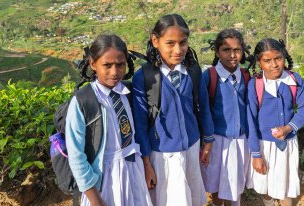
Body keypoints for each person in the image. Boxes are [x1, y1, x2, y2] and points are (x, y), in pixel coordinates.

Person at [132, 14, 214, 206]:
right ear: (155, 41)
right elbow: (141, 126)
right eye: (170, 43)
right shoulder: (144, 78)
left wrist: (207, 140)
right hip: (163, 155)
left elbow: (203, 108)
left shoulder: (193, 71)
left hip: (192, 147)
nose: (178, 50)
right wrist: (146, 164)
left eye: (183, 43)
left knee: (192, 197)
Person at [65, 34, 152, 206]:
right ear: (92, 64)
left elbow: (138, 134)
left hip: (133, 171)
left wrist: (146, 167)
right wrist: (95, 199)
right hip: (103, 180)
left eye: (120, 65)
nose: (115, 72)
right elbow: (76, 156)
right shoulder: (83, 101)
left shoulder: (129, 92)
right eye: (107, 65)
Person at [246, 38, 304, 206]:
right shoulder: (255, 85)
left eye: (278, 58)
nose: (274, 64)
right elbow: (251, 120)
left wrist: (289, 127)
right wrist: (255, 154)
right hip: (264, 145)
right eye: (267, 60)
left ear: (284, 56)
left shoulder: (294, 80)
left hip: (288, 144)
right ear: (259, 62)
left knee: (285, 187)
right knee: (266, 186)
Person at [200, 29, 252, 206]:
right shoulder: (209, 76)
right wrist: (207, 140)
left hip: (240, 140)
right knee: (215, 182)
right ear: (217, 51)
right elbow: (204, 110)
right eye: (226, 50)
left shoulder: (246, 76)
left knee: (235, 182)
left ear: (242, 51)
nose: (232, 55)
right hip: (217, 140)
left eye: (237, 50)